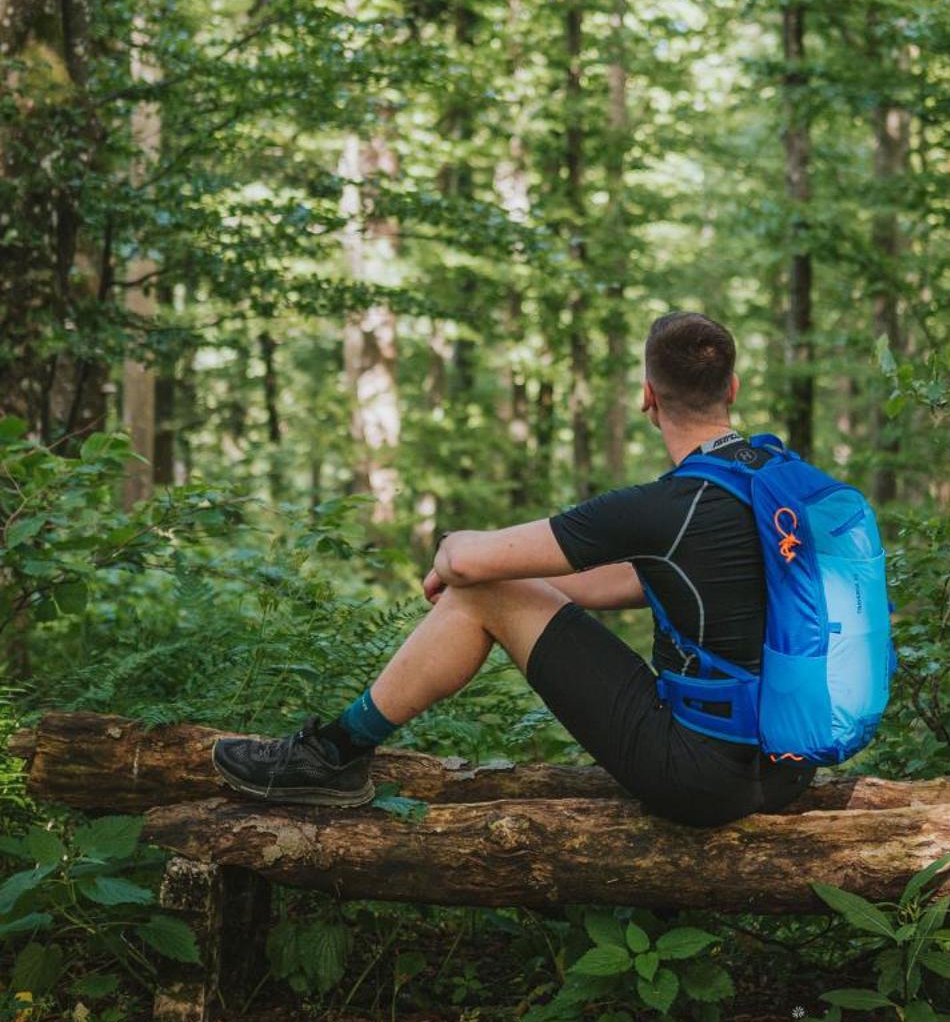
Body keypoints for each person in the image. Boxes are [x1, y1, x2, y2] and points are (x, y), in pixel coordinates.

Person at [212, 312, 817, 828]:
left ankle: (331, 756)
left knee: (482, 592)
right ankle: (333, 752)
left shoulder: (664, 506)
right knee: (492, 589)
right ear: (732, 388)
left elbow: (467, 558)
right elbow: (643, 580)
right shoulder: (775, 482)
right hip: (787, 767)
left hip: (701, 780)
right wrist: (515, 587)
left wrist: (458, 559)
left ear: (648, 397)